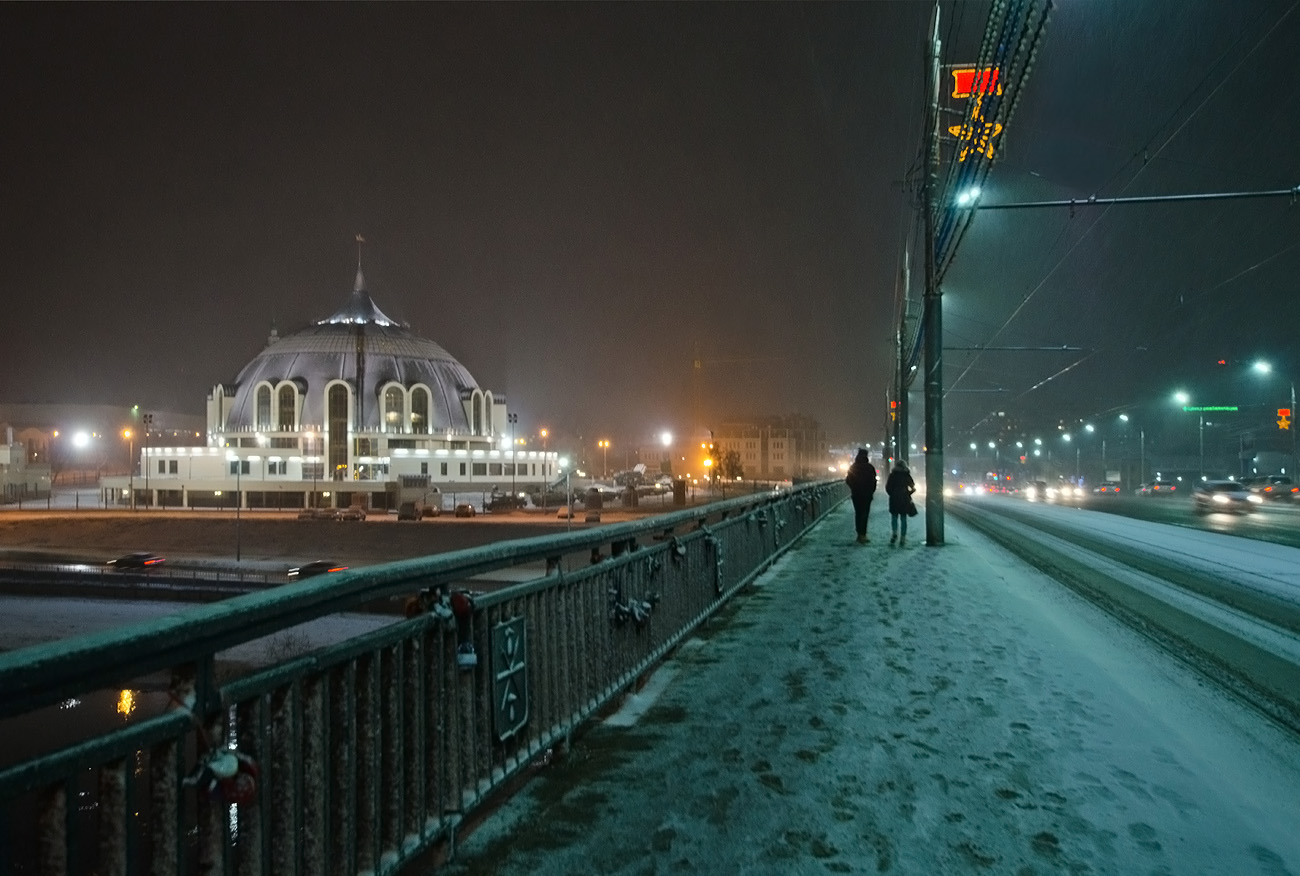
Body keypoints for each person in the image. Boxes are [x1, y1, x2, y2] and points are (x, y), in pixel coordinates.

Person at [844, 448, 877, 544]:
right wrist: (871, 491)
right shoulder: (870, 467)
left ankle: (859, 534)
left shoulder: (853, 467)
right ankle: (863, 534)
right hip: (867, 495)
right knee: (865, 514)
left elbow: (847, 480)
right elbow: (873, 482)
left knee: (858, 513)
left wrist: (854, 487)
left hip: (856, 494)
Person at [885, 459, 916, 546]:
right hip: (904, 498)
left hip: (894, 498)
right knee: (903, 518)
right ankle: (903, 537)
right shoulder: (906, 475)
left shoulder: (892, 475)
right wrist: (908, 494)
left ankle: (894, 533)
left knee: (894, 517)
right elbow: (913, 487)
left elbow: (887, 487)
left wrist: (892, 494)